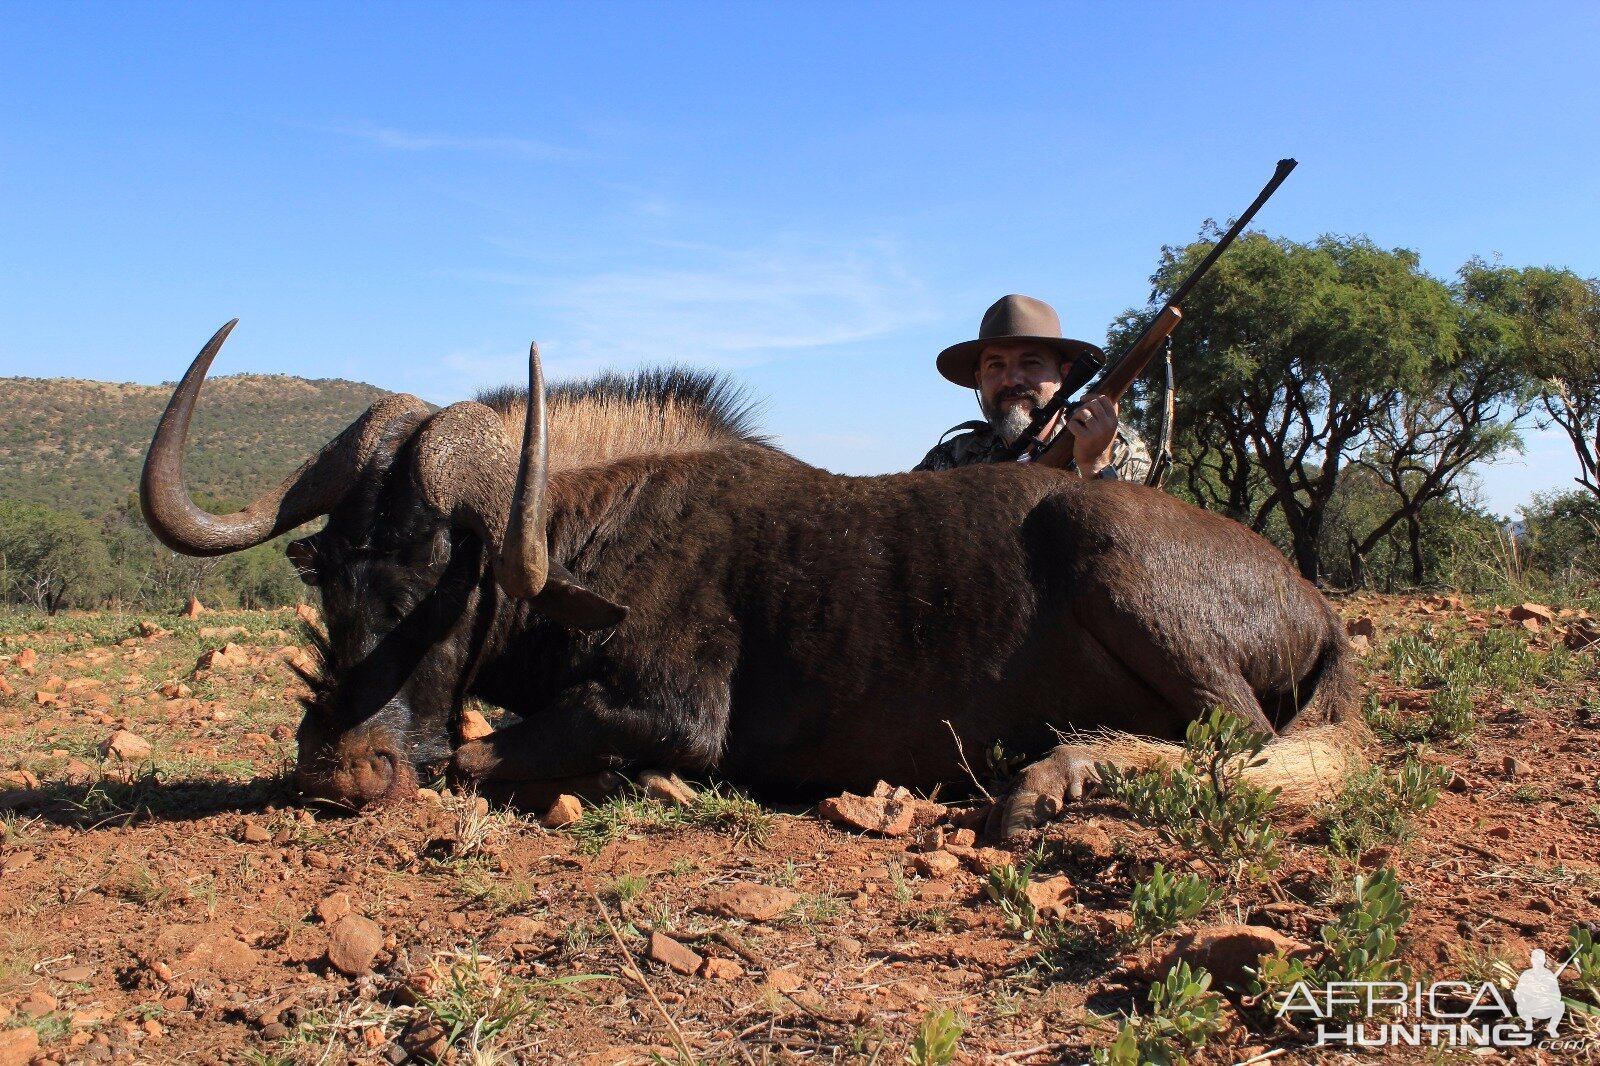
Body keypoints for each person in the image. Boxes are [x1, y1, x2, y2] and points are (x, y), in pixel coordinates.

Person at [915, 294, 1150, 480]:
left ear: (1066, 375)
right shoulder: (951, 460)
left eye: (1031, 363)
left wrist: (1095, 465)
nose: (1011, 379)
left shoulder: (1120, 450)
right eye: (996, 365)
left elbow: (1139, 538)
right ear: (980, 379)